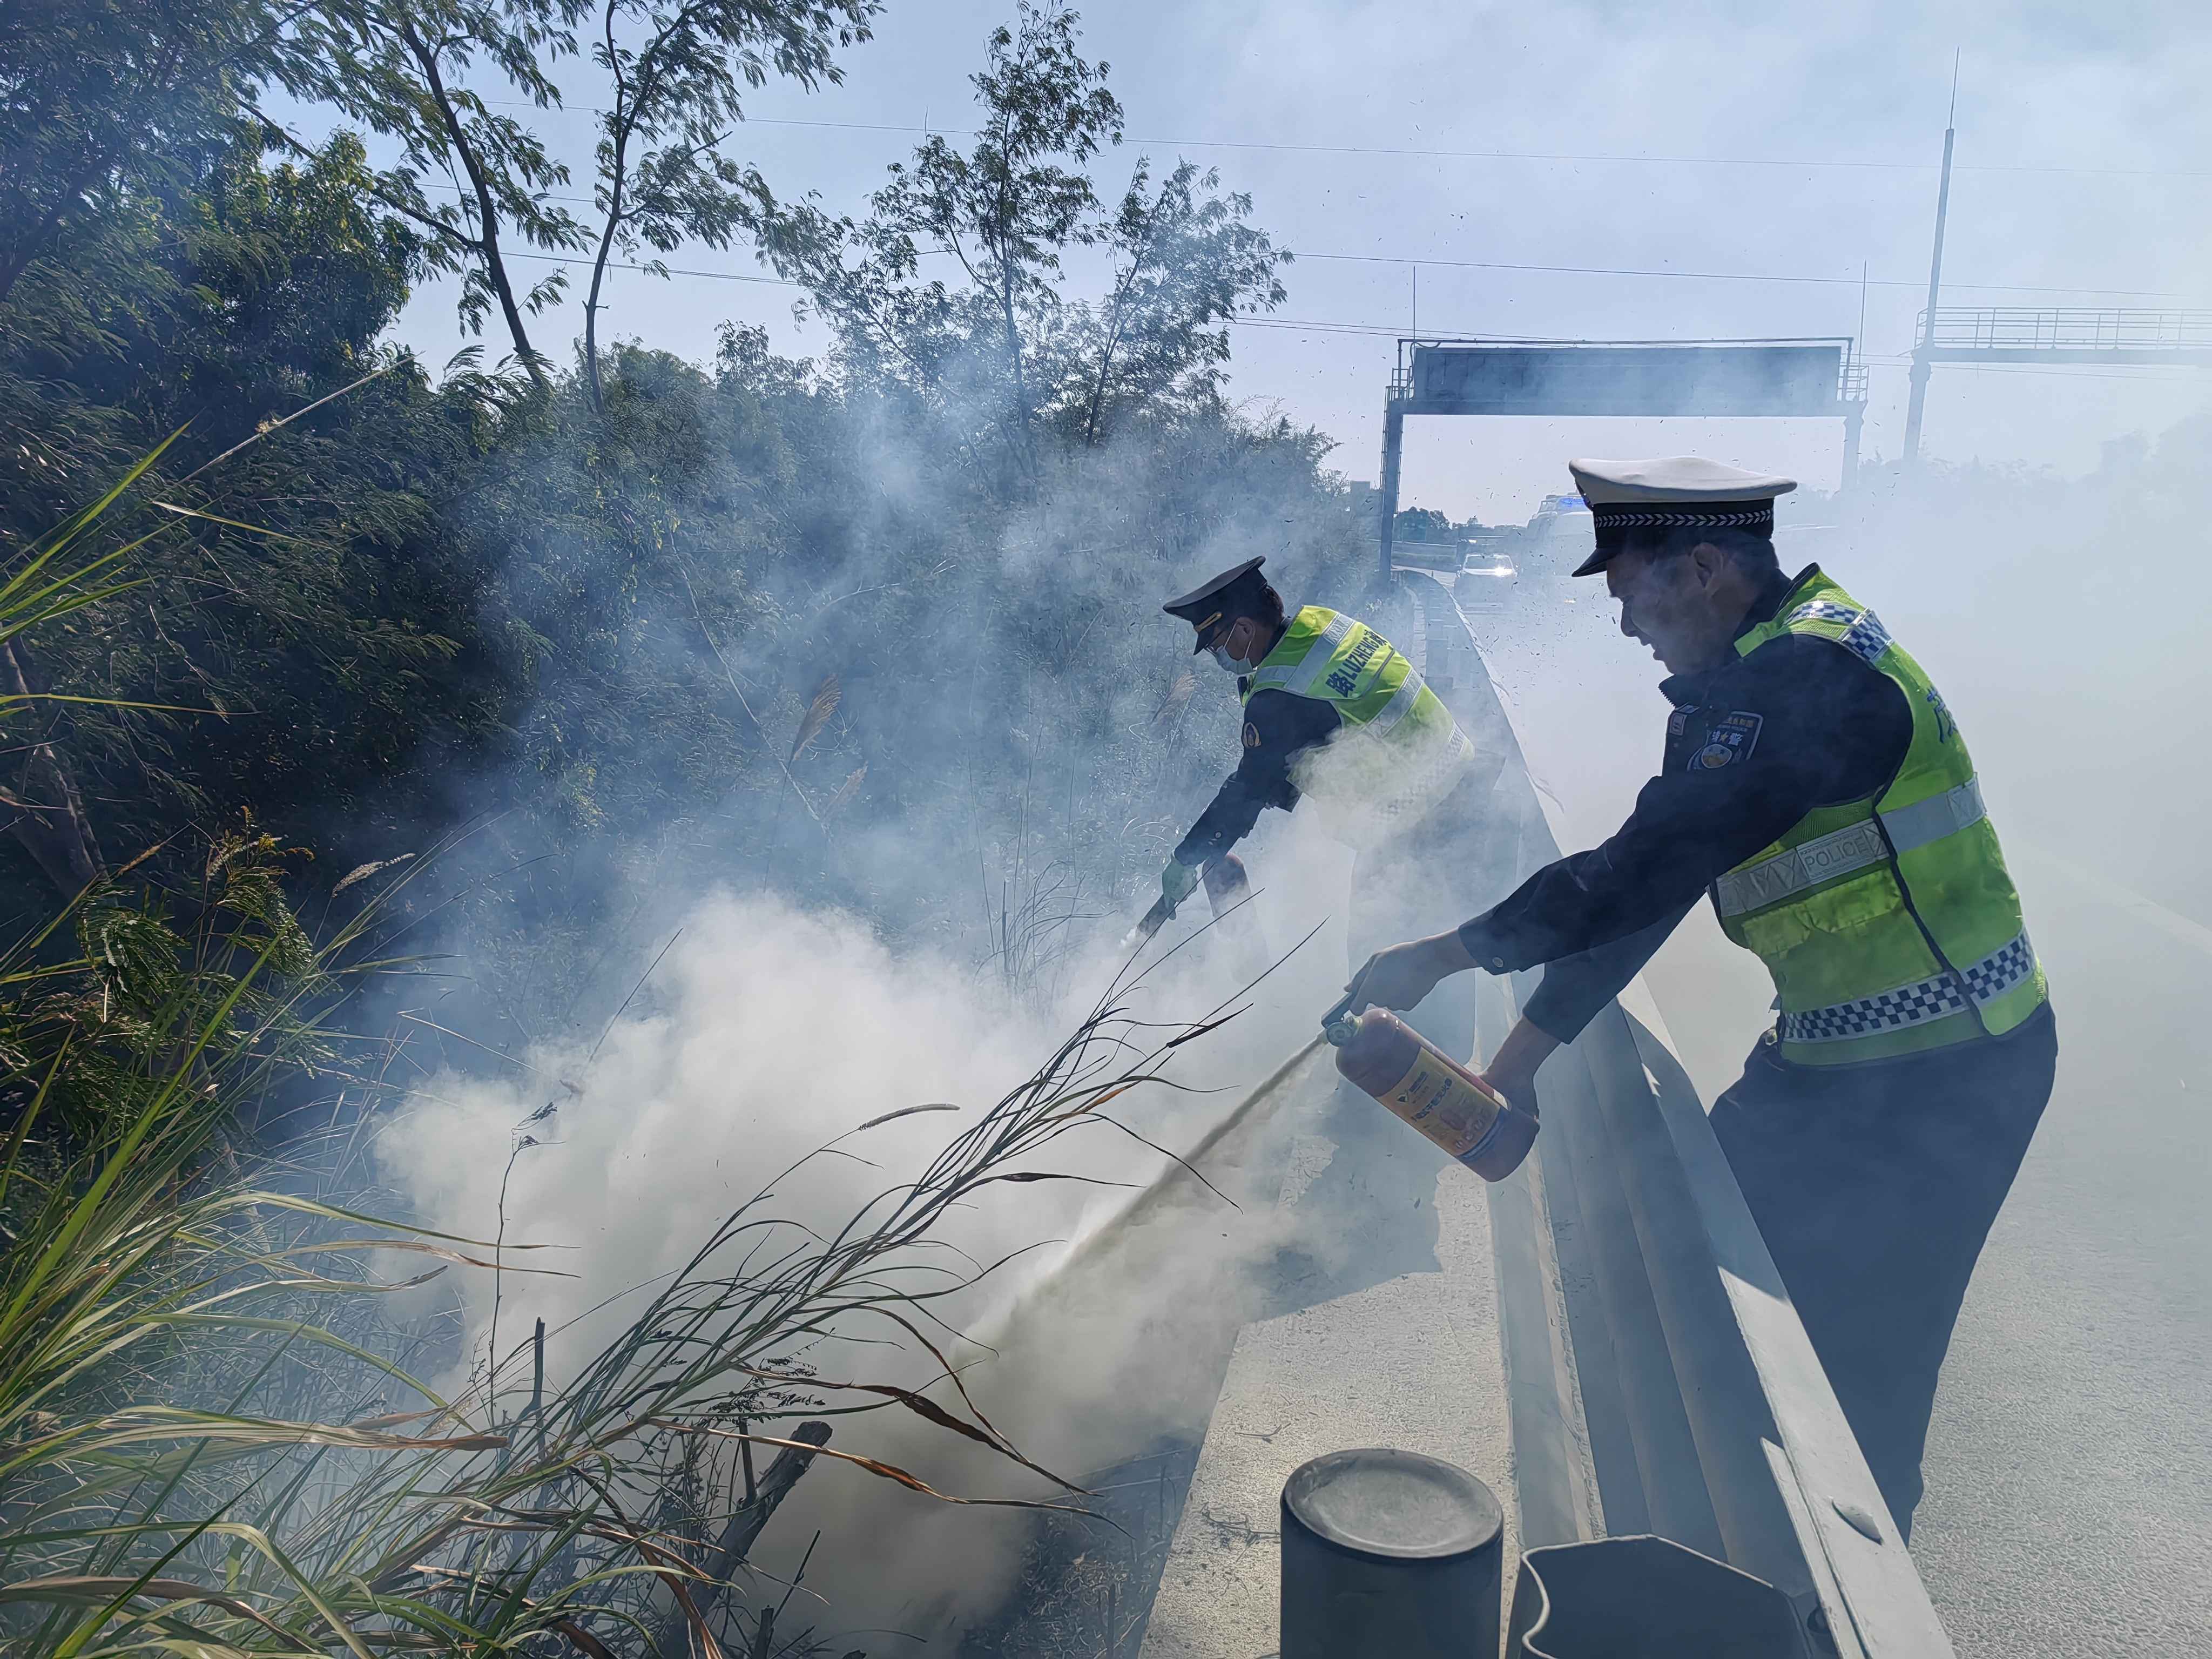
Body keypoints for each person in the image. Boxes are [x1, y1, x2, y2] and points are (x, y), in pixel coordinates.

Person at [1344, 456, 2057, 1537]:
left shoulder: (1807, 683)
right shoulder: (1738, 689)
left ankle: (1845, 1601)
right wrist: (1505, 1078)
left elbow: (1634, 875)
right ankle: (1708, 1550)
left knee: (1856, 1381)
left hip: (1945, 1075)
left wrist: (1442, 955)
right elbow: (1646, 894)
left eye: (1629, 592)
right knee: (1697, 1273)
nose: (1626, 626)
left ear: (1707, 568)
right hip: (1821, 1061)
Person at [1159, 557, 1511, 1282]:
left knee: (1390, 983)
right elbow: (1309, 764)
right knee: (1429, 981)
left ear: (1247, 628)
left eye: (1222, 643)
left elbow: (1253, 788)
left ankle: (1390, 1189)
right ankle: (1423, 1132)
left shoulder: (1279, 691)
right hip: (1467, 801)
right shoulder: (1324, 629)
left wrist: (1191, 853)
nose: (1223, 658)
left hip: (1422, 829)